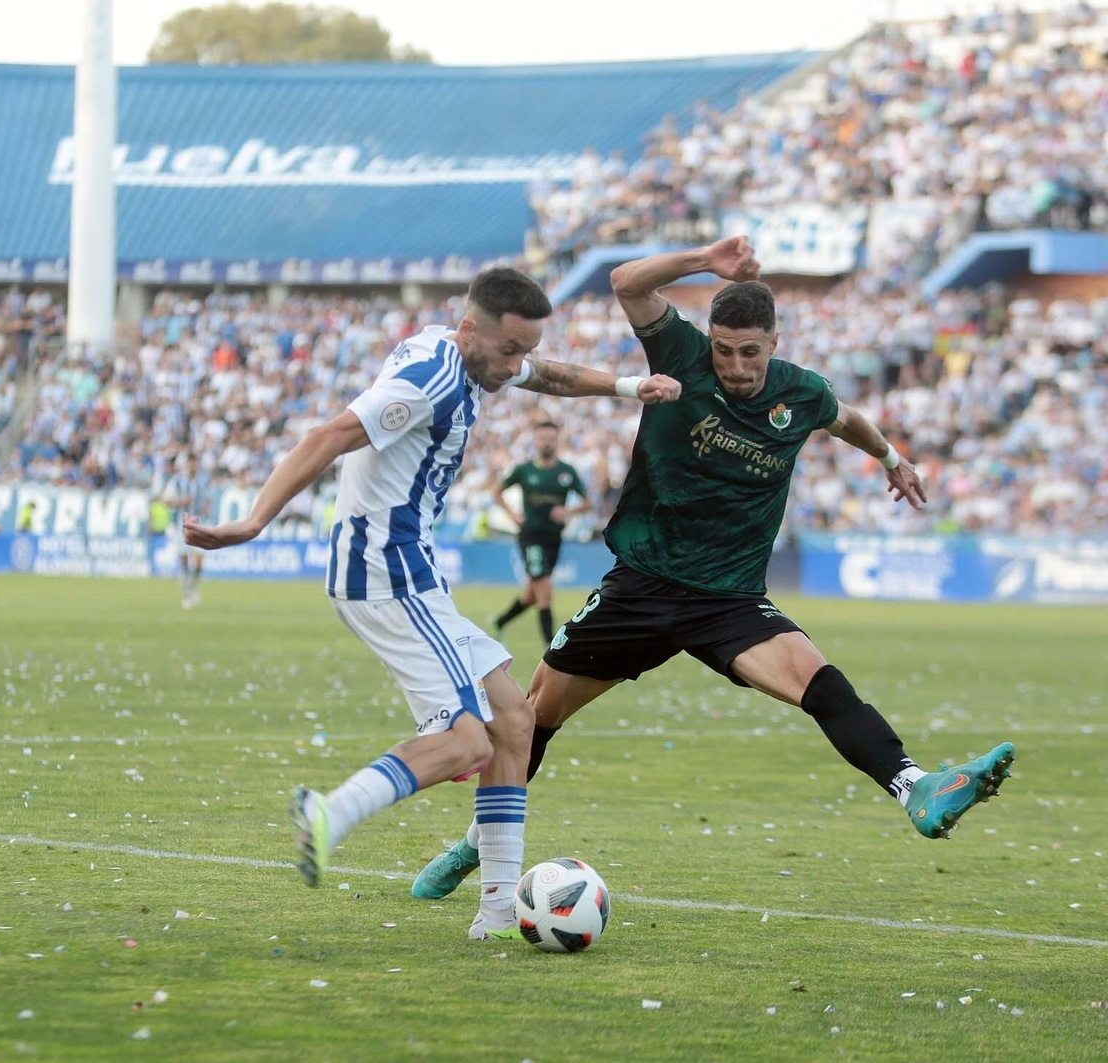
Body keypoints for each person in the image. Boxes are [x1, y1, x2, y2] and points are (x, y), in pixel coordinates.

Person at [412, 238, 1017, 904]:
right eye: (723, 349)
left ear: (773, 342)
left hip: (727, 599)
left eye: (749, 351)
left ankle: (917, 786)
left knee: (824, 685)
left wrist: (891, 457)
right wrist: (704, 258)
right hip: (638, 589)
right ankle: (476, 843)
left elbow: (848, 421)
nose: (733, 364)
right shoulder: (680, 355)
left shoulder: (801, 393)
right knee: (535, 717)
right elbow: (626, 281)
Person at [184, 267, 681, 939]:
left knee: (513, 720)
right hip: (385, 570)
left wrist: (628, 387)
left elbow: (552, 375)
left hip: (408, 570)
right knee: (467, 739)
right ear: (470, 328)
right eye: (508, 349)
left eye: (522, 349)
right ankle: (330, 812)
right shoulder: (430, 382)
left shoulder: (466, 356)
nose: (515, 364)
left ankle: (500, 912)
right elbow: (327, 436)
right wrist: (254, 521)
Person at [492, 420, 586, 645]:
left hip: (554, 539)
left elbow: (588, 502)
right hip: (530, 537)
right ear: (536, 441)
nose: (547, 443)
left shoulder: (566, 472)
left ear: (557, 441)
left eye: (551, 439)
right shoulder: (524, 470)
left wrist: (568, 511)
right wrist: (512, 514)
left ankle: (501, 621)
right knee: (544, 590)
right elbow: (497, 491)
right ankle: (551, 645)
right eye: (542, 439)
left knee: (531, 596)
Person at [161, 451, 211, 609]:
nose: (192, 465)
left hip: (199, 525)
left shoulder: (203, 481)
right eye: (189, 462)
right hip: (181, 525)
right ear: (185, 465)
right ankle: (187, 592)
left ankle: (192, 589)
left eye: (194, 462)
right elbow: (165, 500)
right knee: (183, 561)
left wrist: (206, 507)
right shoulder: (177, 481)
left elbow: (209, 498)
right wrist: (180, 501)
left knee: (198, 561)